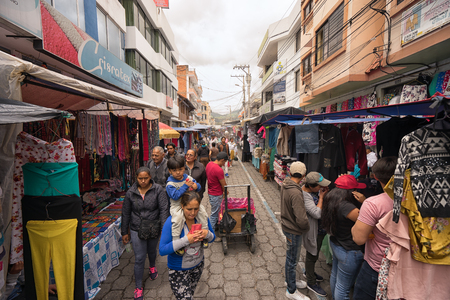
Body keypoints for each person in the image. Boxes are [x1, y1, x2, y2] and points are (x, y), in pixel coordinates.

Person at [351, 157, 397, 300]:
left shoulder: (373, 204)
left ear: (375, 176)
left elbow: (358, 239)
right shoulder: (416, 201)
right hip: (408, 269)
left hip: (377, 268)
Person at [121, 167, 169, 300]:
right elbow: (125, 213)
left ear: (150, 177)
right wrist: (125, 231)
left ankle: (152, 266)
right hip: (137, 228)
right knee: (140, 257)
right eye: (140, 178)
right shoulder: (131, 192)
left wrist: (164, 228)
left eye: (145, 178)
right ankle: (138, 286)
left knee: (152, 250)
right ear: (136, 178)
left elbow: (164, 209)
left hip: (154, 225)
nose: (143, 181)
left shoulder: (158, 189)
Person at [159, 191, 215, 300]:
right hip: (178, 270)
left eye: (196, 208)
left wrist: (206, 234)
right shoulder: (172, 222)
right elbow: (162, 249)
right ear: (182, 206)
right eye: (189, 209)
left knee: (190, 292)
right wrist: (187, 240)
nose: (193, 213)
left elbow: (213, 238)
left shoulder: (202, 218)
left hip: (197, 266)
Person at [321, 175, 366, 300]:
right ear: (351, 192)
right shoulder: (347, 207)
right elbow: (367, 221)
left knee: (335, 276)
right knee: (343, 288)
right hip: (349, 250)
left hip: (337, 244)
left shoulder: (331, 198)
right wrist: (365, 201)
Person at [166, 156, 209, 254]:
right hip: (177, 206)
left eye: (180, 169)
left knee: (202, 212)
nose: (178, 172)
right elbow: (175, 196)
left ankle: (204, 234)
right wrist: (186, 185)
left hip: (190, 203)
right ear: (170, 171)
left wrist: (196, 186)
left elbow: (197, 185)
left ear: (184, 168)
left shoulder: (186, 177)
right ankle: (176, 242)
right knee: (177, 219)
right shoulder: (170, 184)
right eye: (174, 170)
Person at [281, 161, 310, 300]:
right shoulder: (295, 192)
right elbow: (301, 219)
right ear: (303, 175)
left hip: (287, 226)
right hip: (293, 229)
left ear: (290, 172)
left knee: (291, 257)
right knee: (292, 259)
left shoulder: (286, 184)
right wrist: (306, 228)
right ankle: (291, 290)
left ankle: (290, 280)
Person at [302, 172, 330, 297]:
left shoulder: (313, 191)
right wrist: (322, 197)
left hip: (320, 229)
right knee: (312, 255)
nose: (321, 188)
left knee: (314, 253)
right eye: (319, 186)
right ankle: (311, 281)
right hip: (314, 231)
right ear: (311, 186)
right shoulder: (305, 195)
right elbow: (317, 213)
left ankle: (310, 273)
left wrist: (321, 193)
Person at [205, 152, 228, 230]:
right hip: (216, 194)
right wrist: (226, 191)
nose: (224, 164)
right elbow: (223, 184)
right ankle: (211, 233)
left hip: (211, 192)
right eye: (224, 162)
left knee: (216, 212)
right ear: (222, 160)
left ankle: (216, 227)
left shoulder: (209, 164)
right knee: (214, 214)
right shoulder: (219, 170)